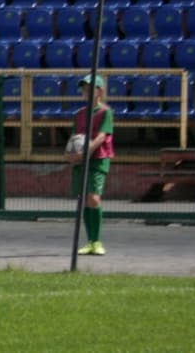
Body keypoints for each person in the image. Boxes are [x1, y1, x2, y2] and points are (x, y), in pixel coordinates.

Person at [69, 74, 115, 256]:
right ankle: (90, 241)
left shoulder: (105, 112)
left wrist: (86, 151)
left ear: (100, 91)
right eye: (84, 88)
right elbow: (75, 137)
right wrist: (70, 154)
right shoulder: (79, 114)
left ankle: (97, 241)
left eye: (91, 87)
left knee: (94, 197)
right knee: (85, 198)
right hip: (82, 160)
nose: (87, 91)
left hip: (98, 158)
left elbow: (102, 136)